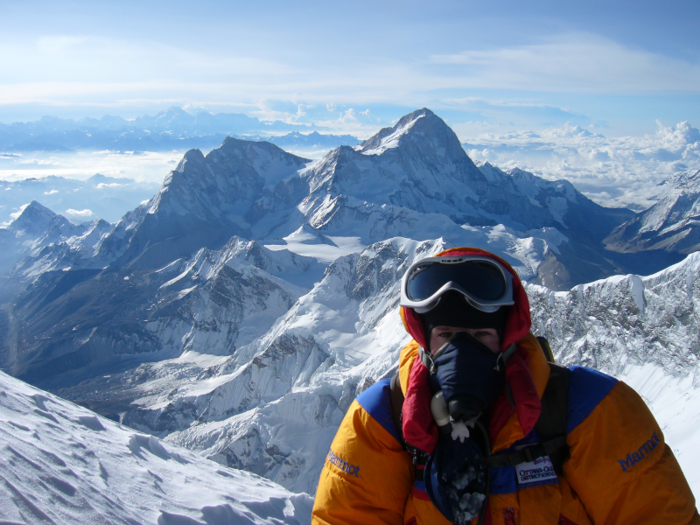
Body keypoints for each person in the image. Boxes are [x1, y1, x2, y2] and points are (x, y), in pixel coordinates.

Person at [311, 247, 699, 525]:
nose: (462, 351)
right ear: (424, 341)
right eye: (446, 334)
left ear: (507, 338)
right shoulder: (380, 421)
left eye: (481, 334)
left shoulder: (591, 410)